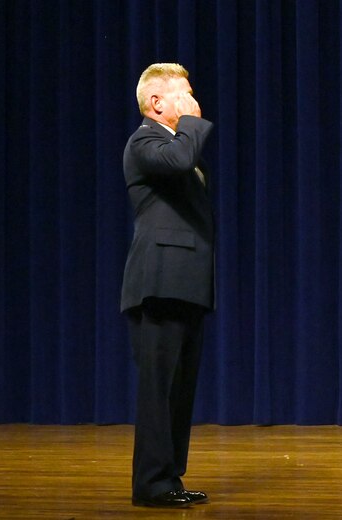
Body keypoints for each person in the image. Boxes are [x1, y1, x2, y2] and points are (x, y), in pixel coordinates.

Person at [120, 63, 215, 509]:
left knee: (180, 387)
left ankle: (170, 479)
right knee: (159, 389)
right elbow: (180, 160)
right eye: (184, 93)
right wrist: (193, 122)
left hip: (188, 281)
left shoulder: (175, 145)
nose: (192, 101)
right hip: (158, 281)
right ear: (156, 102)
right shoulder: (145, 141)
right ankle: (151, 484)